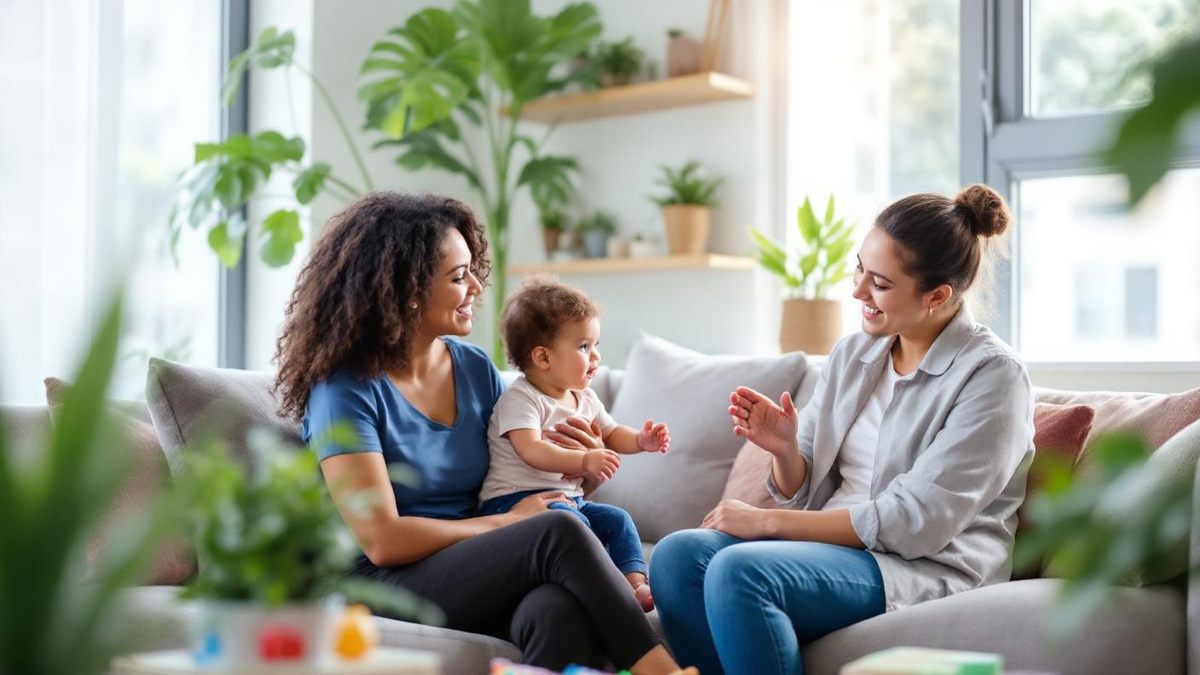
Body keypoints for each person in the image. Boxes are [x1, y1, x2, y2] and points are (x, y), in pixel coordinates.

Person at [274, 192, 686, 674]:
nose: (475, 286)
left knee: (555, 607)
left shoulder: (473, 369)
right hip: (381, 581)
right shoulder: (344, 391)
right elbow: (382, 540)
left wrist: (578, 479)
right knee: (554, 530)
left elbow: (513, 477)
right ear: (407, 290)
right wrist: (511, 524)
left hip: (468, 564)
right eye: (457, 276)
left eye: (472, 270)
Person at [650, 184, 1035, 675]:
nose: (857, 290)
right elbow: (802, 491)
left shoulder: (992, 376)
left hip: (921, 565)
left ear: (937, 295)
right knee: (676, 556)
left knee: (737, 571)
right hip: (836, 550)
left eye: (880, 283)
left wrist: (766, 522)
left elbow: (916, 521)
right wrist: (786, 450)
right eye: (859, 268)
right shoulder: (855, 355)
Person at [478, 277, 671, 612]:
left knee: (618, 520)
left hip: (568, 501)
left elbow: (611, 434)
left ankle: (635, 584)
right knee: (574, 528)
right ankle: (599, 587)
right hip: (514, 502)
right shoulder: (521, 399)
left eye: (595, 344)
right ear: (543, 357)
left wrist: (641, 440)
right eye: (584, 347)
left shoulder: (585, 397)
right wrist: (584, 462)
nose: (596, 356)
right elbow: (531, 450)